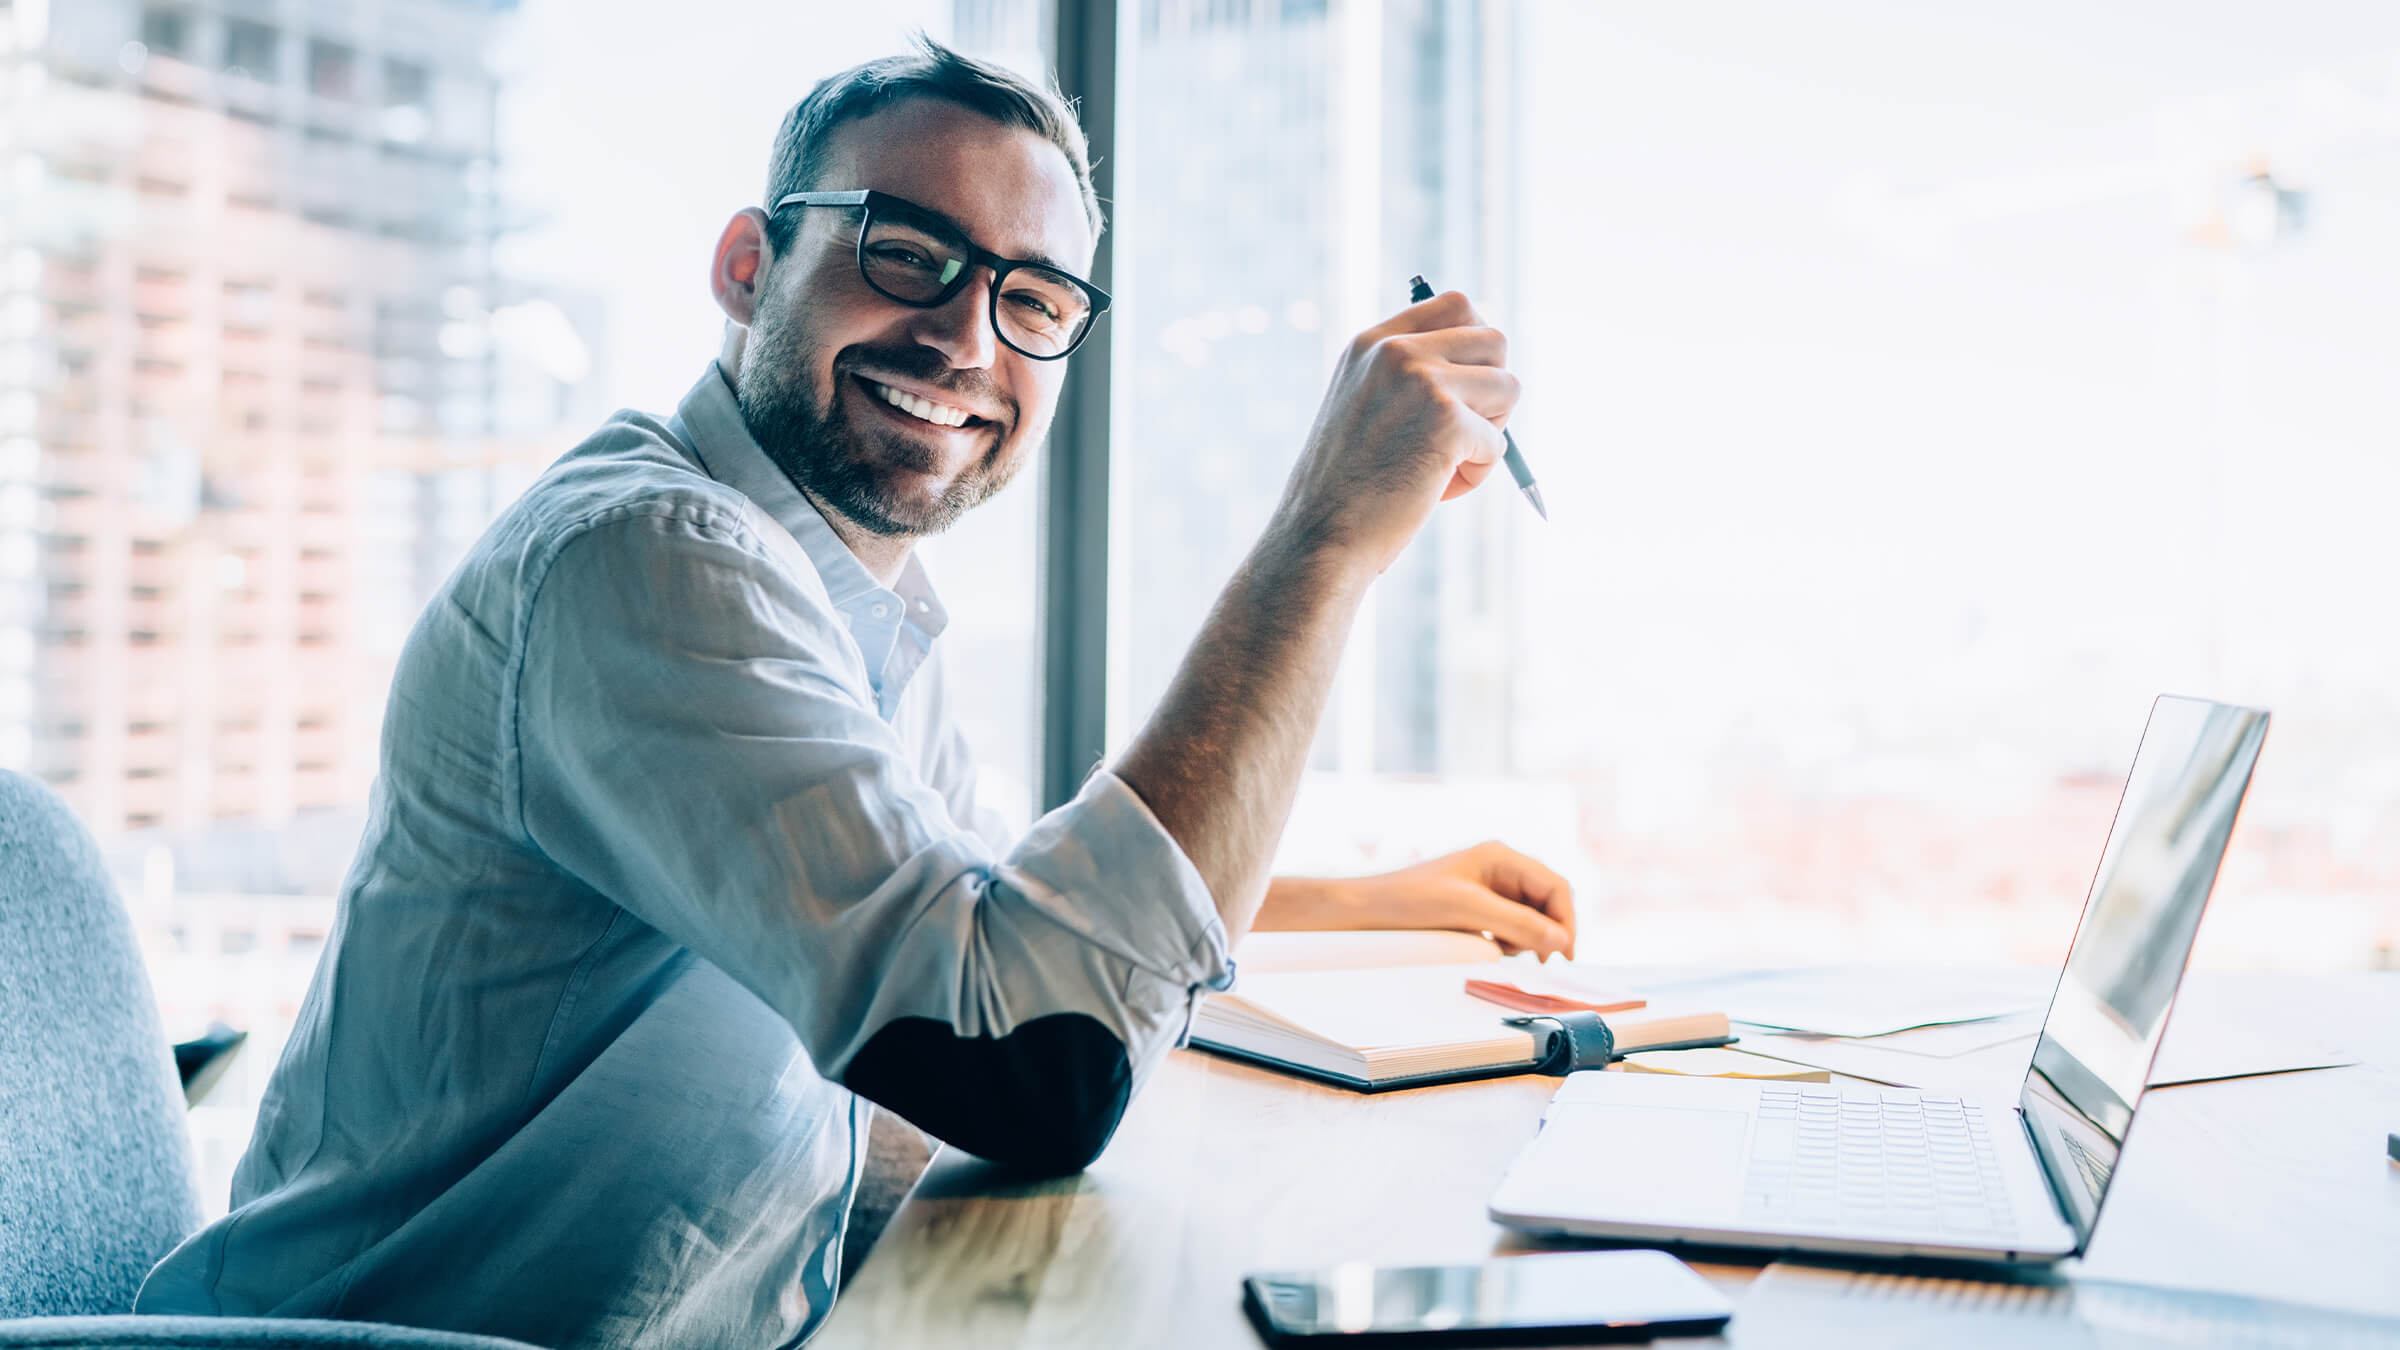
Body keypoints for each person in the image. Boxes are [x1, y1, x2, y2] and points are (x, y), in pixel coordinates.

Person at [137, 39, 1570, 1350]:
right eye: (906, 252)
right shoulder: (650, 559)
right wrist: (1320, 539)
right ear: (748, 265)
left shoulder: (833, 588)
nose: (966, 340)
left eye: (1034, 298)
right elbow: (1031, 1057)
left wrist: (1377, 895)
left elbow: (995, 906)